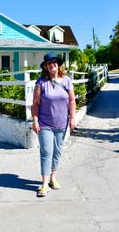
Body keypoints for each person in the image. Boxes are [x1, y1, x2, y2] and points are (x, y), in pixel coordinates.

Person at [32, 52, 76, 197]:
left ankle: (53, 178)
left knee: (57, 151)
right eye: (49, 63)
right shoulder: (41, 83)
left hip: (61, 124)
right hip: (45, 124)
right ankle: (44, 184)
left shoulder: (66, 80)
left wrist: (72, 118)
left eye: (55, 62)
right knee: (46, 152)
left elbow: (71, 101)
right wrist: (35, 120)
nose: (52, 65)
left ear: (58, 64)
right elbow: (36, 103)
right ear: (45, 66)